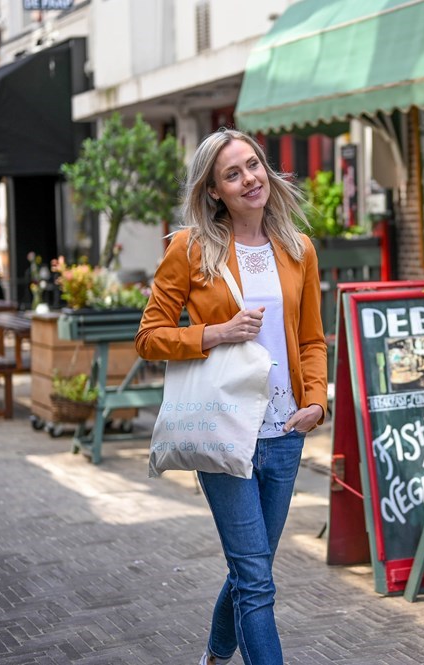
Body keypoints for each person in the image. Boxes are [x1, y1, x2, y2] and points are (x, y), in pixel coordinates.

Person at [135, 128, 327, 665]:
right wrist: (216, 332)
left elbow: (311, 337)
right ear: (214, 190)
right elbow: (149, 337)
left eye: (254, 165)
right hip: (226, 429)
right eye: (233, 173)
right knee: (256, 580)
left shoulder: (298, 249)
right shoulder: (190, 249)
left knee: (253, 567)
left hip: (286, 431)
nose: (250, 179)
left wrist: (315, 403)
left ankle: (217, 655)